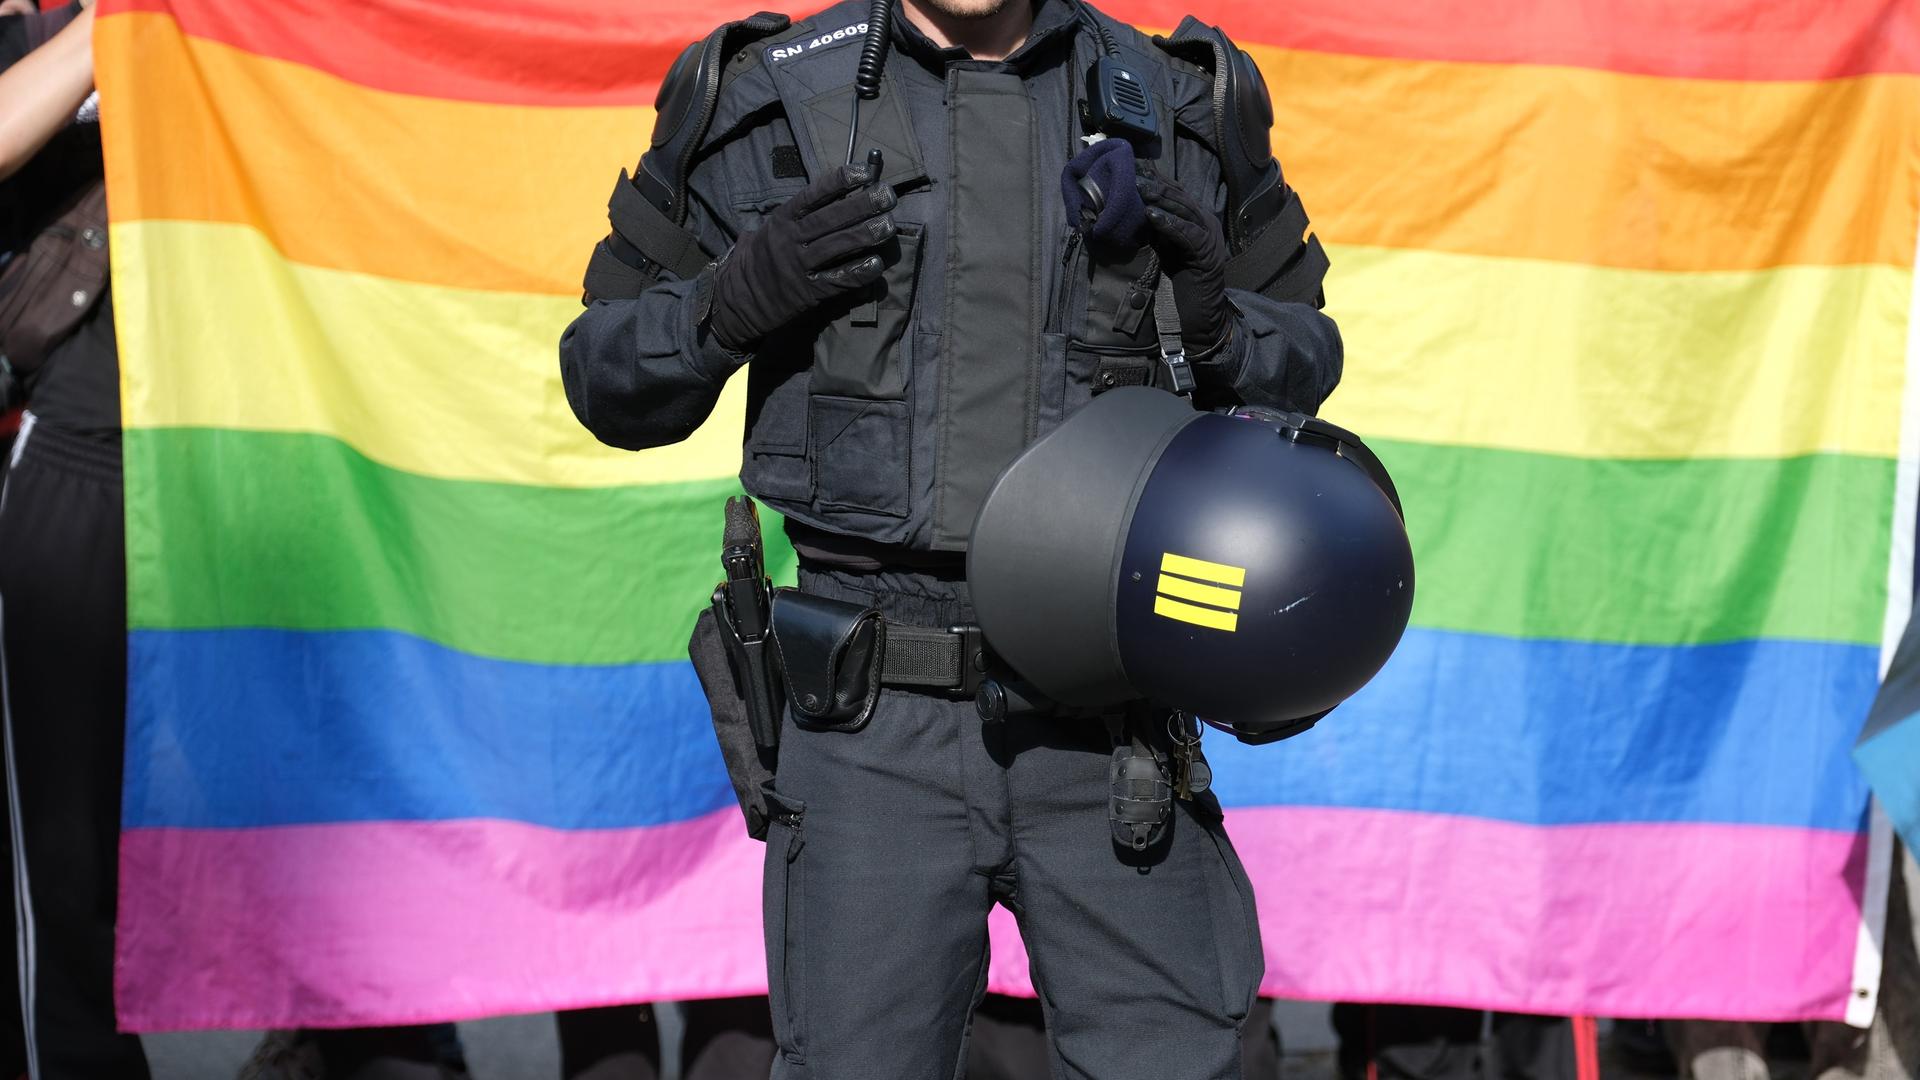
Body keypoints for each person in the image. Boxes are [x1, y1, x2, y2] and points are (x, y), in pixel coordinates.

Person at [559, 0, 1339, 1072]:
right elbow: (601, 375)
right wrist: (726, 306)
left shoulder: (1178, 99)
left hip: (1110, 726)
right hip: (871, 735)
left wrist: (1215, 328)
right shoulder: (765, 90)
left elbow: (1308, 359)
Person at [0, 2, 155, 1077]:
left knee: (323, 837)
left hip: (265, 463)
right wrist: (119, 20)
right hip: (85, 460)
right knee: (76, 874)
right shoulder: (36, 36)